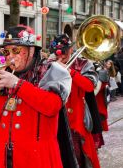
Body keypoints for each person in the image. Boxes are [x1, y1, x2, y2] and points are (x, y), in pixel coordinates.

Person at [0, 26, 72, 168]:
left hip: (36, 158)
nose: (10, 56)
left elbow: (52, 106)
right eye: (6, 51)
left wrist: (17, 84)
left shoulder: (50, 70)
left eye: (16, 50)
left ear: (31, 50)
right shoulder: (1, 70)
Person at [49, 34, 101, 168]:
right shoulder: (48, 64)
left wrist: (70, 72)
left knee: (78, 157)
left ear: (71, 49)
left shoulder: (83, 63)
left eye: (64, 51)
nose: (61, 55)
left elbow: (89, 86)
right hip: (54, 119)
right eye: (57, 52)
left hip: (76, 120)